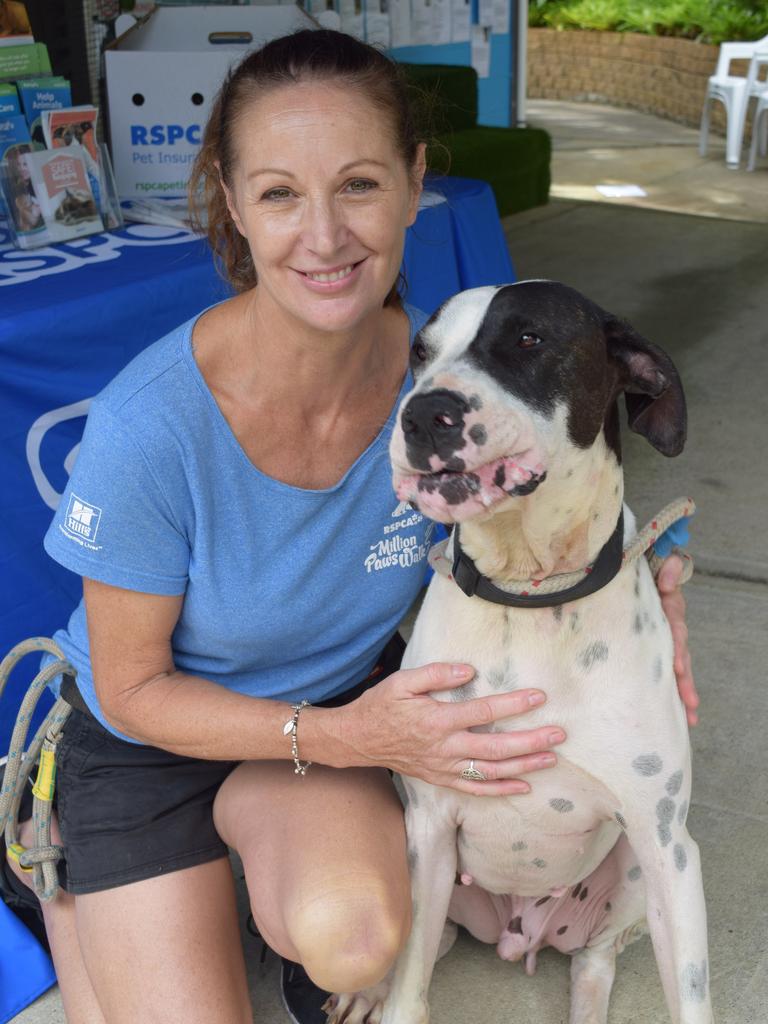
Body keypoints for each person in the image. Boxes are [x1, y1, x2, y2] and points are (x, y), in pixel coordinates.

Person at [5, 29, 698, 1024]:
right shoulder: (148, 423)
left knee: (354, 934)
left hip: (323, 715)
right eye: (281, 193)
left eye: (361, 185)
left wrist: (652, 566)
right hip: (146, 735)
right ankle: (63, 868)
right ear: (235, 204)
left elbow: (568, 477)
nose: (324, 235)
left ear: (417, 183)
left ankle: (266, 888)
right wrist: (344, 736)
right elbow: (131, 685)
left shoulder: (449, 383)